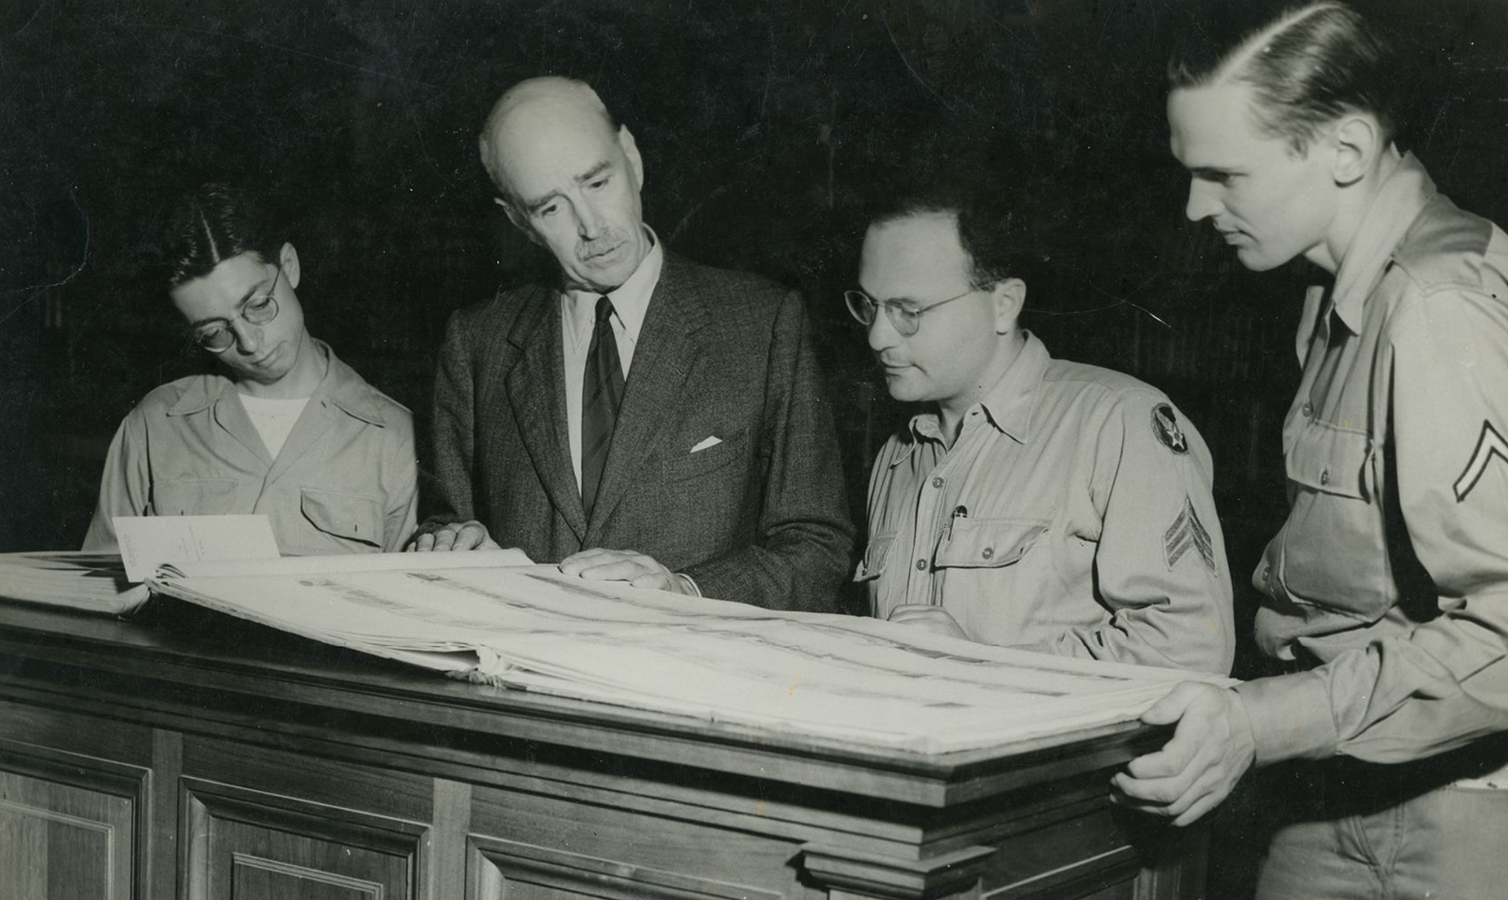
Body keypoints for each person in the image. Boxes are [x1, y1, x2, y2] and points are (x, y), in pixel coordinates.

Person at [1114, 4, 1508, 898]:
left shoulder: (1438, 303)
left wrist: (1258, 722)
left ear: (1345, 150)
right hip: (1340, 801)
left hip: (1435, 833)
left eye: (1224, 174)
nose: (1195, 207)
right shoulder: (1339, 299)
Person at [415, 76, 853, 611]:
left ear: (632, 157)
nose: (592, 228)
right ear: (518, 221)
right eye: (551, 208)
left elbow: (817, 548)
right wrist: (454, 546)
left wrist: (686, 591)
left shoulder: (762, 323)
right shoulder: (476, 341)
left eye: (598, 184)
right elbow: (446, 523)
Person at [850, 178, 1233, 674]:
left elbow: (1190, 651)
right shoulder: (898, 454)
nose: (878, 336)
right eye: (868, 306)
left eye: (908, 311)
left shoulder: (1116, 422)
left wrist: (984, 668)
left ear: (1004, 304)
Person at [84, 183, 418, 555]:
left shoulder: (395, 437)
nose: (248, 342)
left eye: (258, 305)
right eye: (214, 331)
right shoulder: (154, 424)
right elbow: (99, 594)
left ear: (288, 266)